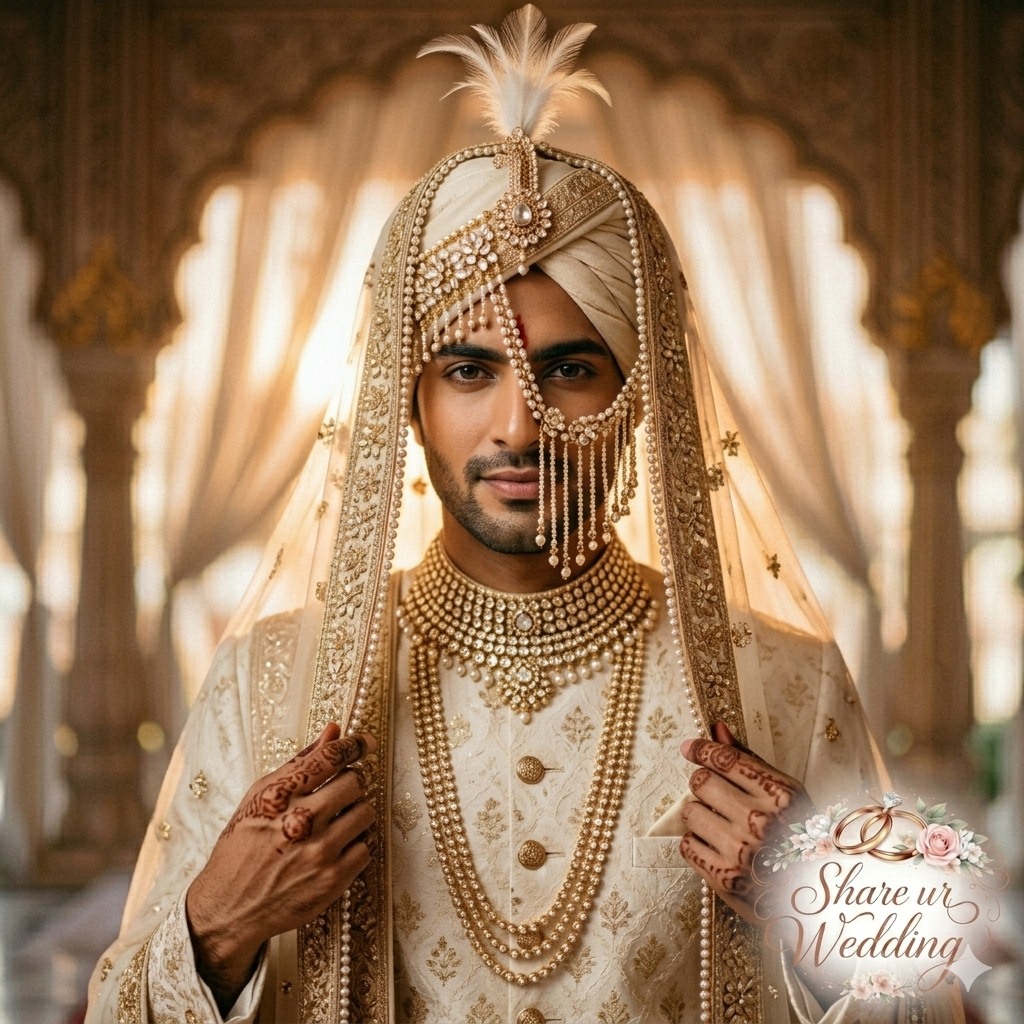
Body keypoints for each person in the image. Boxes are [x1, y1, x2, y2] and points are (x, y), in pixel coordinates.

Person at [86, 8, 964, 1023]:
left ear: (645, 394)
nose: (519, 423)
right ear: (405, 404)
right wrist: (218, 926)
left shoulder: (780, 681)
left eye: (570, 369)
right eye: (468, 369)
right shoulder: (275, 679)